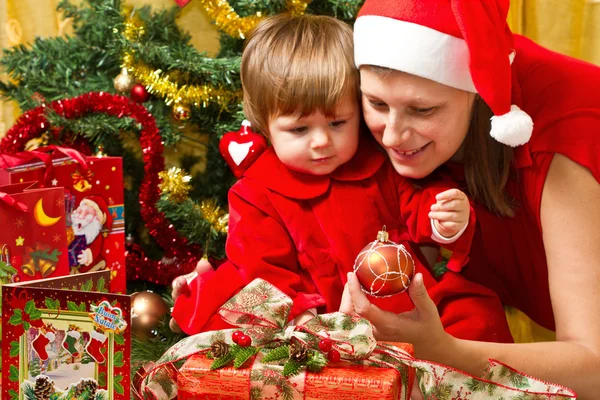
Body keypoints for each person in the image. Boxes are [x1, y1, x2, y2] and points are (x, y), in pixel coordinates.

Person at [171, 13, 514, 346]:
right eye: (299, 129)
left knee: (476, 314)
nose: (321, 142)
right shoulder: (257, 193)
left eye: (337, 124)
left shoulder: (377, 164)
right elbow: (263, 273)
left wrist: (444, 218)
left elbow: (417, 205)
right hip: (321, 316)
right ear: (264, 124)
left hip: (401, 302)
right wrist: (301, 319)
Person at [336, 0, 600, 397]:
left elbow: (594, 366)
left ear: (477, 91)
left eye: (421, 110)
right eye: (376, 103)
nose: (391, 137)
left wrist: (444, 351)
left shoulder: (562, 140)